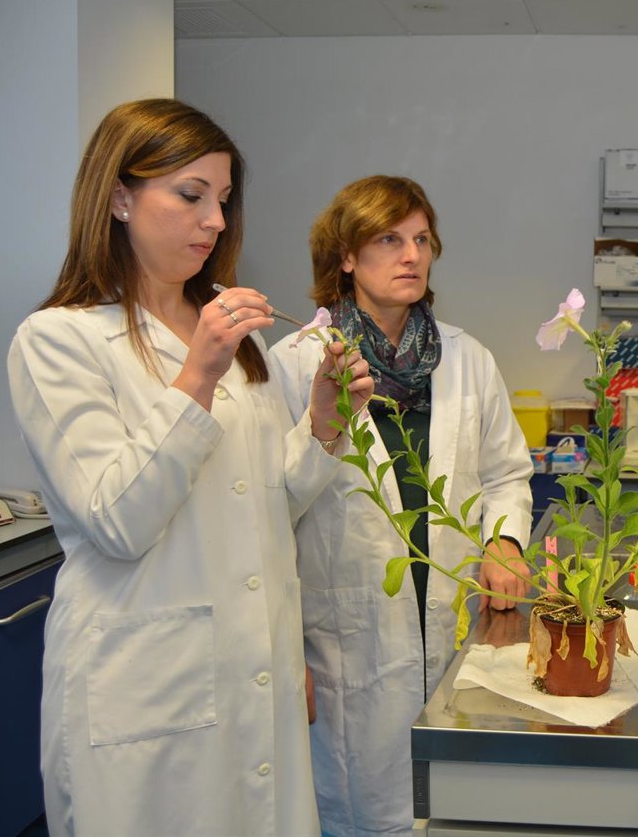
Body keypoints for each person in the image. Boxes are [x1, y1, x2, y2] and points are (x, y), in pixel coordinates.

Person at [6, 98, 373, 836]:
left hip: (251, 674)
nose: (214, 221)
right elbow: (116, 519)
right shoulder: (58, 341)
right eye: (190, 195)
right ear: (117, 197)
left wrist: (326, 424)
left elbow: (271, 505)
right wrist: (195, 376)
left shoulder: (240, 346)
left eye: (224, 201)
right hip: (146, 692)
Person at [270, 175, 533, 836]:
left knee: (457, 812)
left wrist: (504, 541)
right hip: (344, 644)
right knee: (364, 813)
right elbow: (269, 510)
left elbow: (506, 472)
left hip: (454, 626)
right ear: (347, 257)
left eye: (421, 239)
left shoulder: (467, 359)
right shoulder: (293, 364)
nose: (412, 255)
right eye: (389, 239)